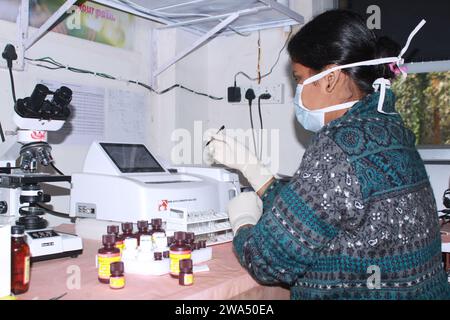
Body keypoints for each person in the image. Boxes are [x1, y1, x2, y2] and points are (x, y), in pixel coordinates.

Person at [206, 10, 450, 299]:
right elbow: (321, 209)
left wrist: (243, 222)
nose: (297, 91)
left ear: (331, 78)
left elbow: (267, 261)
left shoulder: (338, 146)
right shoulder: (390, 129)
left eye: (299, 79)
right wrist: (255, 171)